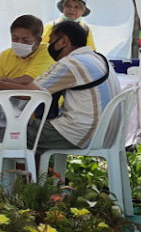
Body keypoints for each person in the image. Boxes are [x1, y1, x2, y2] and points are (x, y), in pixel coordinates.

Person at [13, 19, 120, 155]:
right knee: (27, 130)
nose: (49, 46)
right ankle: (38, 168)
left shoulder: (72, 64)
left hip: (79, 134)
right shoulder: (99, 58)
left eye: (51, 41)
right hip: (107, 134)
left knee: (11, 129)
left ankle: (11, 169)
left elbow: (31, 94)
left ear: (63, 41)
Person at [0, 15, 55, 88]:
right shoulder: (5, 55)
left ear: (38, 41)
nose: (19, 43)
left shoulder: (49, 52)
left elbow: (27, 82)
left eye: (25, 40)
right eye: (15, 38)